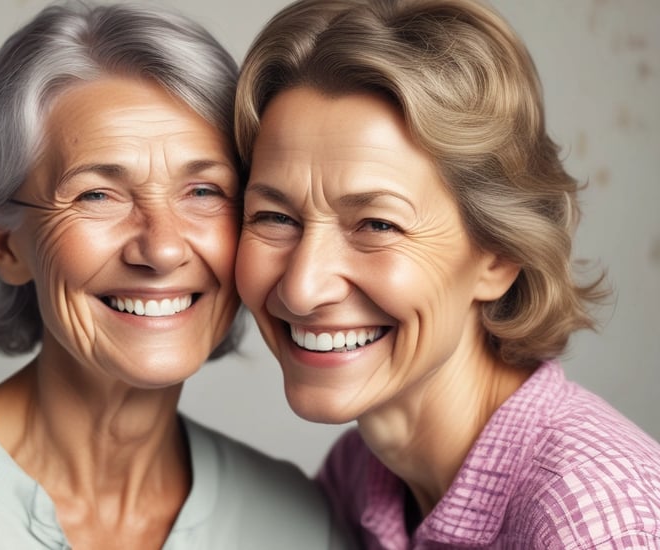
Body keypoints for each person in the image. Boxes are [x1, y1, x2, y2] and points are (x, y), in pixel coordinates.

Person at [0, 4, 355, 549]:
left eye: (204, 191)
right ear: (5, 243)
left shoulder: (299, 525)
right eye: (97, 194)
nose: (160, 249)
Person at [233, 0, 660, 547]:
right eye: (274, 217)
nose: (301, 286)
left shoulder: (593, 525)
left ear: (498, 255)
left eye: (377, 225)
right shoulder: (361, 475)